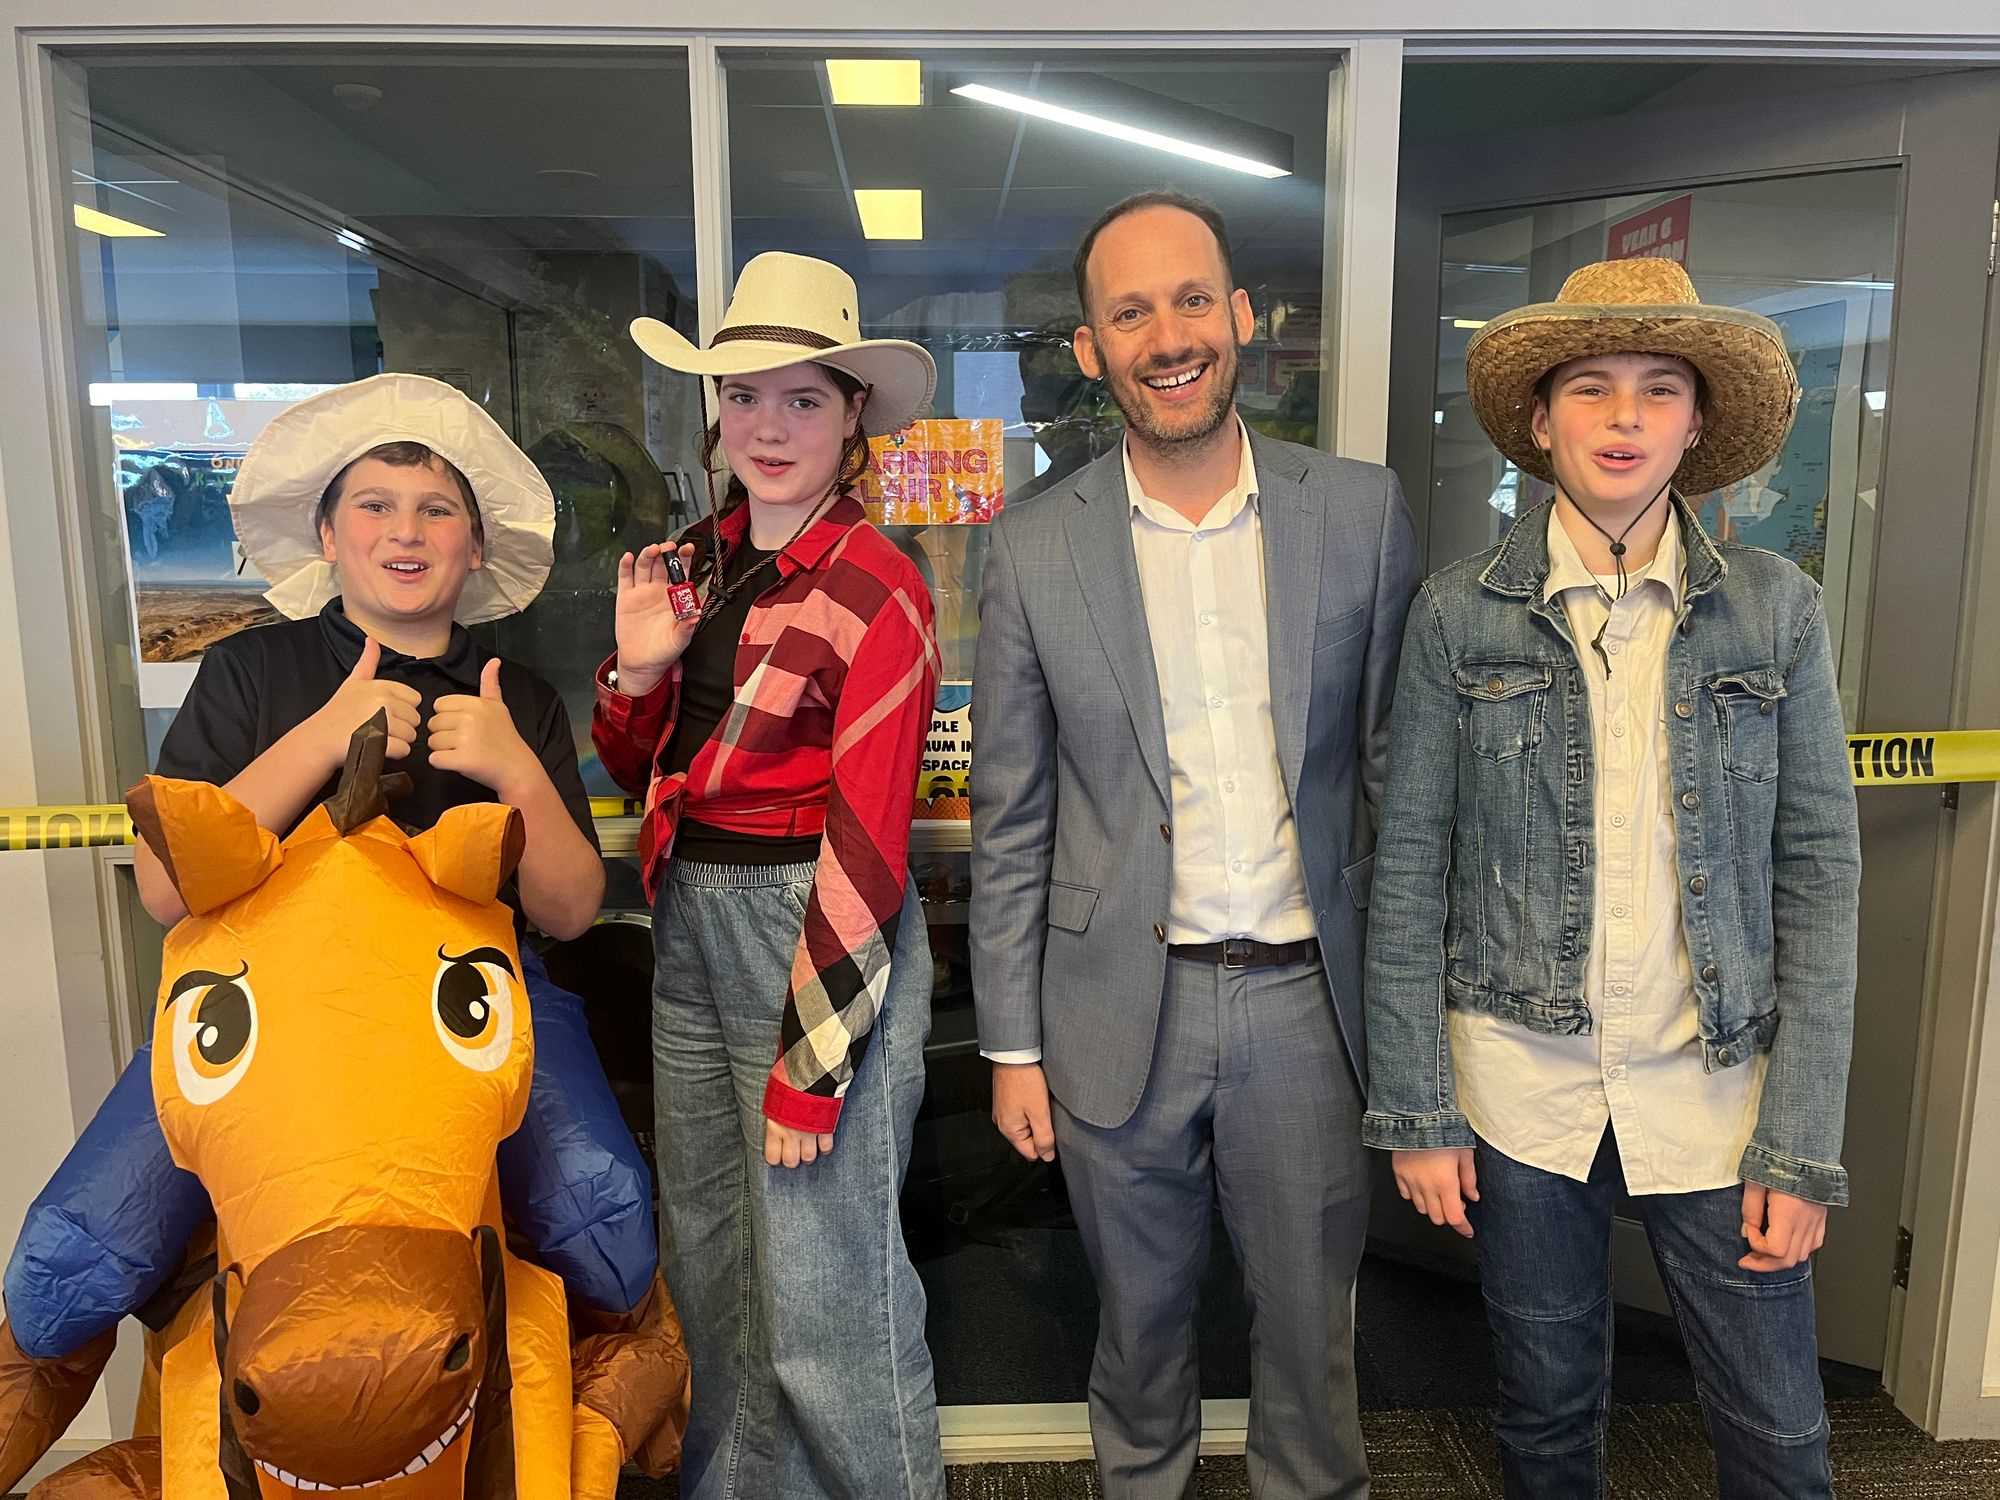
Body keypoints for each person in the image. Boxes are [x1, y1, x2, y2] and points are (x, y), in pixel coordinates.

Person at [4, 373, 659, 1360]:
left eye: (437, 509)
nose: (406, 532)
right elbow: (165, 888)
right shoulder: (248, 673)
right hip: (262, 1007)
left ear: (476, 545)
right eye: (375, 506)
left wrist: (517, 770)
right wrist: (320, 737)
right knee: (70, 1263)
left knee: (604, 1228)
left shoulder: (514, 697)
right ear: (326, 535)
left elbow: (568, 914)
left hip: (476, 999)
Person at [1363, 258, 1859, 1498]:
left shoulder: (1777, 613)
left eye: (1657, 389)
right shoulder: (1455, 617)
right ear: (1540, 423)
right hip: (1518, 1082)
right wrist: (1418, 1110)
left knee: (1778, 1435)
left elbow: (1816, 873)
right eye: (1588, 387)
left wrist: (1800, 1142)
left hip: (1718, 1088)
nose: (1623, 417)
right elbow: (1408, 867)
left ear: (1695, 426)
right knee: (1542, 1410)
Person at [971, 190, 1420, 1499]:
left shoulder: (1358, 515)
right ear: (1091, 348)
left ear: (1239, 314)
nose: (1166, 337)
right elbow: (1012, 813)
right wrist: (1010, 1047)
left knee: (1313, 1344)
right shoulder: (1033, 547)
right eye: (1129, 313)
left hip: (1306, 1005)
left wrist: (1414, 1022)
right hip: (1116, 1005)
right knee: (1137, 1334)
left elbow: (1397, 783)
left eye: (1188, 301)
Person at [594, 251, 946, 1500]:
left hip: (811, 924)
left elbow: (868, 839)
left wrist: (813, 1060)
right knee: (712, 1265)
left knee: (826, 1288)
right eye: (743, 396)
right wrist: (639, 672)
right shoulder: (697, 557)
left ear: (853, 419)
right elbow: (637, 764)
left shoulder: (880, 584)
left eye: (803, 399)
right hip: (688, 914)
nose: (768, 426)